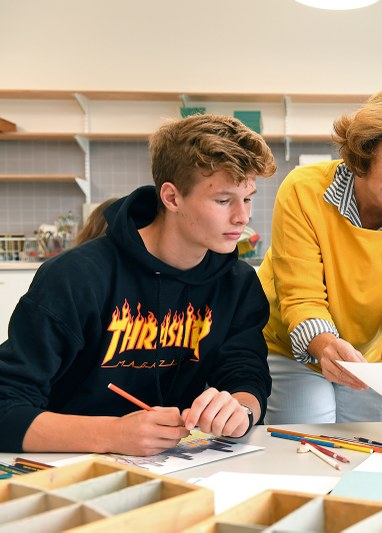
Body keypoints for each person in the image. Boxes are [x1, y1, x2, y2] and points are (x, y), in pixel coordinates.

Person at [0, 113, 276, 455]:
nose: (243, 217)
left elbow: (246, 375)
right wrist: (112, 434)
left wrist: (240, 409)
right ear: (172, 198)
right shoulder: (75, 277)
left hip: (175, 464)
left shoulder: (238, 283)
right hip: (69, 462)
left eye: (247, 198)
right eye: (223, 200)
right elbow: (6, 406)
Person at [257, 83, 382, 424]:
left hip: (368, 356)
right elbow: (301, 296)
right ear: (368, 146)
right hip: (287, 346)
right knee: (312, 430)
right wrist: (323, 345)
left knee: (372, 439)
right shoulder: (304, 189)